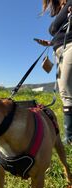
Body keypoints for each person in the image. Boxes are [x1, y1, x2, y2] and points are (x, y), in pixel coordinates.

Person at [35, 0, 72, 145]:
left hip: (69, 47)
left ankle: (69, 138)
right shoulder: (62, 9)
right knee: (68, 91)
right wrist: (50, 43)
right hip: (59, 50)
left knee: (66, 92)